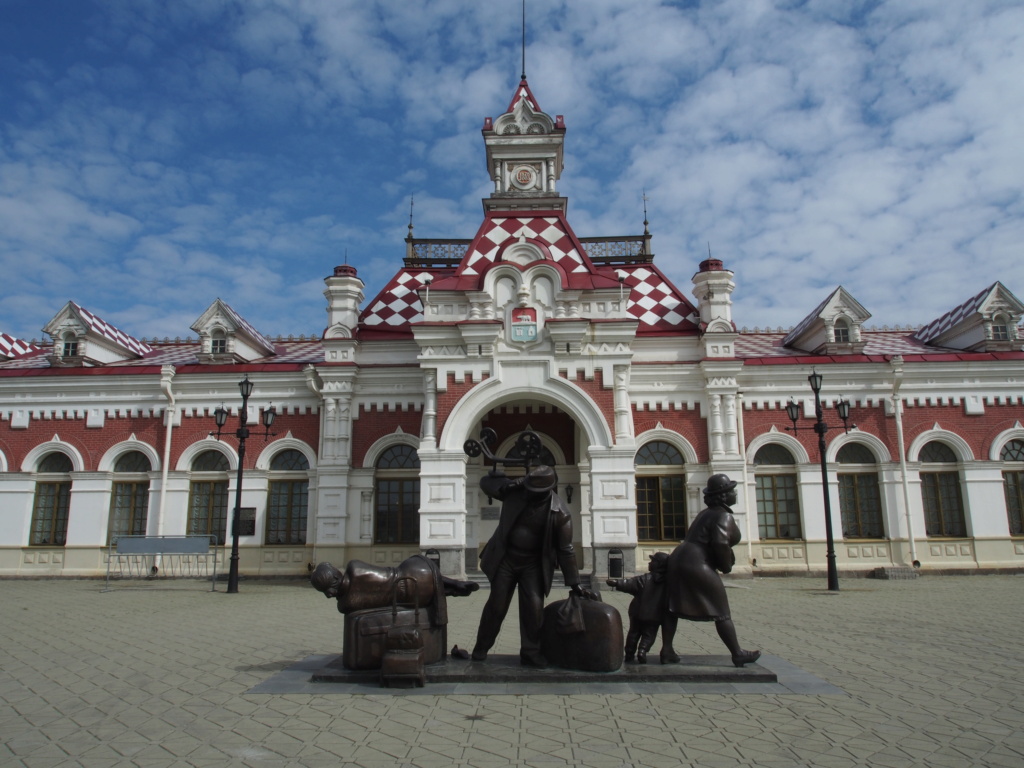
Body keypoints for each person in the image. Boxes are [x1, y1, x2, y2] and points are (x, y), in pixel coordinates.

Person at [472, 464, 595, 667]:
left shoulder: (560, 513)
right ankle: (481, 648)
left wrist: (575, 584)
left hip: (533, 564)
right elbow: (486, 484)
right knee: (496, 605)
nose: (530, 494)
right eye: (529, 488)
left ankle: (531, 652)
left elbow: (566, 550)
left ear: (548, 490)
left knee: (534, 608)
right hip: (506, 559)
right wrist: (505, 480)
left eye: (535, 491)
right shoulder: (516, 493)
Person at [667, 473, 761, 667]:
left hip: (679, 558)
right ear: (723, 496)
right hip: (696, 562)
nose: (735, 494)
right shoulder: (723, 515)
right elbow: (719, 543)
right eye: (731, 491)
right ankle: (737, 653)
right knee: (721, 610)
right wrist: (726, 565)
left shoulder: (706, 513)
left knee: (672, 606)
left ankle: (666, 650)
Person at [607, 551, 679, 664]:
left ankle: (629, 653)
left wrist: (617, 583)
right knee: (648, 635)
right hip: (654, 615)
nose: (649, 563)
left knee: (633, 633)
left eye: (652, 561)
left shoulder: (645, 578)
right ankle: (642, 651)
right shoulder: (667, 582)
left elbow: (630, 583)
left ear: (658, 565)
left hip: (636, 612)